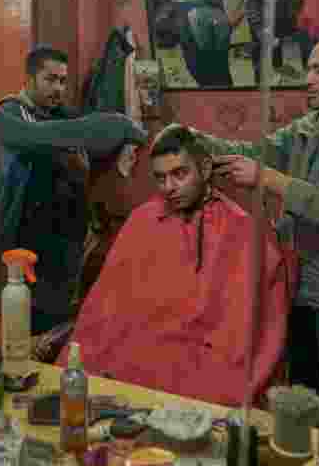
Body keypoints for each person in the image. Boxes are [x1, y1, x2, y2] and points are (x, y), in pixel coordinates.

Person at [57, 125, 291, 406]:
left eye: (180, 174)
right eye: (160, 178)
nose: (169, 187)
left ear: (205, 169)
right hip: (137, 355)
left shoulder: (242, 231)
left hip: (204, 363)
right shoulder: (143, 221)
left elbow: (245, 334)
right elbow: (104, 309)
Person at [209, 32, 319, 391]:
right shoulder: (306, 130)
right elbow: (252, 151)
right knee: (301, 391)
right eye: (308, 69)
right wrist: (190, 140)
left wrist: (270, 179)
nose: (308, 80)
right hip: (295, 287)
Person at [0, 46, 148, 348]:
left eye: (63, 81)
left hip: (65, 237)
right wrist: (116, 125)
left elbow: (86, 146)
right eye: (50, 79)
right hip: (24, 236)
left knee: (58, 319)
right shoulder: (8, 115)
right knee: (24, 317)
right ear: (30, 78)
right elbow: (40, 137)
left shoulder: (63, 116)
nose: (58, 88)